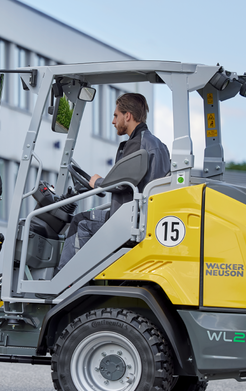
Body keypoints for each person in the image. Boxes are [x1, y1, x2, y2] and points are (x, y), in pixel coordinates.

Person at [57, 92, 170, 269]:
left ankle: (65, 281)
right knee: (83, 218)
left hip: (129, 221)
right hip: (142, 216)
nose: (113, 121)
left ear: (128, 116)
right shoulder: (157, 144)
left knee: (81, 223)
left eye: (116, 115)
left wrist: (98, 183)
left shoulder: (138, 144)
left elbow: (124, 183)